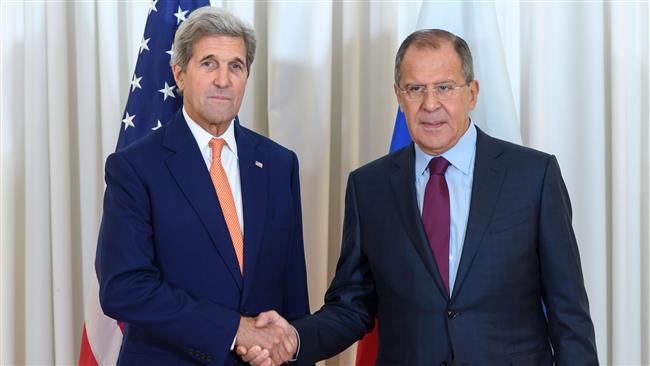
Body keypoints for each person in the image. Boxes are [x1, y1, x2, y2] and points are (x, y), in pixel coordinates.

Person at [238, 29, 598, 365]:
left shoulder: (533, 175)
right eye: (415, 89)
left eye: (444, 87)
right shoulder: (369, 186)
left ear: (471, 93)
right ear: (399, 96)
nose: (430, 104)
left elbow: (569, 314)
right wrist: (293, 338)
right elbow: (352, 306)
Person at [96, 6, 308, 366]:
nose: (223, 80)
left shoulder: (278, 163)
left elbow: (292, 289)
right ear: (179, 74)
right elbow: (124, 288)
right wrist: (233, 329)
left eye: (236, 66)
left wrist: (293, 351)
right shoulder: (134, 167)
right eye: (209, 63)